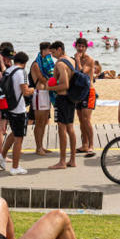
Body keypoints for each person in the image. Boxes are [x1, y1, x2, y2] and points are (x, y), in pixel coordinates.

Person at [0, 52, 33, 175]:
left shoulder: (8, 70)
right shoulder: (21, 72)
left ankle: (2, 155)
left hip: (9, 106)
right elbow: (26, 91)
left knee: (14, 132)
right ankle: (15, 167)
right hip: (19, 108)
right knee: (19, 138)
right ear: (25, 63)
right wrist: (35, 88)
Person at [47, 41, 77, 169]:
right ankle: (72, 160)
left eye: (53, 52)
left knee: (62, 129)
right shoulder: (71, 60)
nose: (52, 56)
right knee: (70, 128)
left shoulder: (60, 64)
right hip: (70, 98)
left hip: (63, 98)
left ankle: (62, 161)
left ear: (59, 49)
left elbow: (65, 85)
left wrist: (50, 88)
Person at [0, 44, 15, 167]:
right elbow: (3, 77)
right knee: (0, 128)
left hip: (6, 100)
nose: (10, 61)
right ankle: (0, 153)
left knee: (2, 127)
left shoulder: (9, 65)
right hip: (0, 100)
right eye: (7, 58)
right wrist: (1, 62)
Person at [29, 42, 54, 156]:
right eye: (49, 51)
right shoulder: (36, 64)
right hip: (39, 93)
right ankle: (38, 147)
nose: (50, 53)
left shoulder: (47, 63)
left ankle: (41, 146)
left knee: (44, 121)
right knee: (39, 122)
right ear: (43, 51)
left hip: (46, 93)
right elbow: (43, 79)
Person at [73, 37, 96, 158]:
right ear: (76, 46)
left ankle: (91, 145)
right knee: (81, 120)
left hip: (89, 91)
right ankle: (84, 144)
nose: (80, 48)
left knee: (87, 119)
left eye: (82, 46)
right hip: (78, 92)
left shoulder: (89, 59)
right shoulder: (74, 59)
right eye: (79, 46)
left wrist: (77, 60)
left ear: (86, 48)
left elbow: (82, 72)